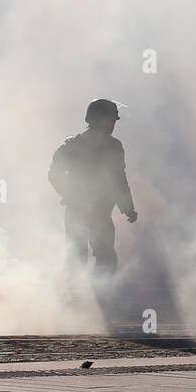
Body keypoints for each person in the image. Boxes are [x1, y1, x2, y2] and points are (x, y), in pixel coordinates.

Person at [49, 99, 137, 274]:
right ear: (99, 119)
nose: (113, 124)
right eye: (110, 119)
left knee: (83, 258)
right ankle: (88, 296)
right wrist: (128, 209)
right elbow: (119, 181)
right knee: (99, 258)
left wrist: (69, 194)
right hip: (93, 213)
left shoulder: (76, 145)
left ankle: (85, 296)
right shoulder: (110, 147)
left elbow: (118, 180)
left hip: (89, 212)